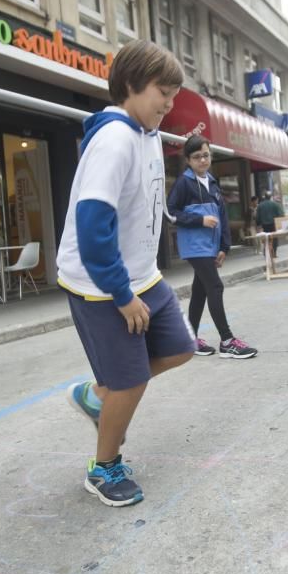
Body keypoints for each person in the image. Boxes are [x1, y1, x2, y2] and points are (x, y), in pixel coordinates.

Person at [59, 40, 195, 507]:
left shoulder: (148, 133)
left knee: (180, 348)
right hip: (102, 283)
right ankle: (103, 468)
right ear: (132, 84)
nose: (169, 104)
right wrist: (121, 294)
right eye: (163, 92)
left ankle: (99, 395)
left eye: (174, 95)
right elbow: (93, 227)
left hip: (142, 274)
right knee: (131, 380)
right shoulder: (114, 138)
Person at [168, 135, 257, 359]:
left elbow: (222, 217)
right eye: (197, 157)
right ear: (188, 160)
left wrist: (224, 247)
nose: (202, 160)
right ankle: (227, 340)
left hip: (210, 246)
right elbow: (170, 213)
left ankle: (189, 339)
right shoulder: (183, 183)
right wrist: (199, 220)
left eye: (206, 155)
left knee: (200, 291)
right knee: (215, 287)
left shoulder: (213, 183)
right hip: (194, 246)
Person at [255, 191, 283, 257]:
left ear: (264, 197)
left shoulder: (260, 205)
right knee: (274, 238)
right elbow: (281, 214)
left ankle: (266, 252)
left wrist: (258, 224)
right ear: (270, 197)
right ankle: (274, 253)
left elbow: (257, 217)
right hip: (274, 224)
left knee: (266, 238)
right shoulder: (275, 204)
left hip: (264, 225)